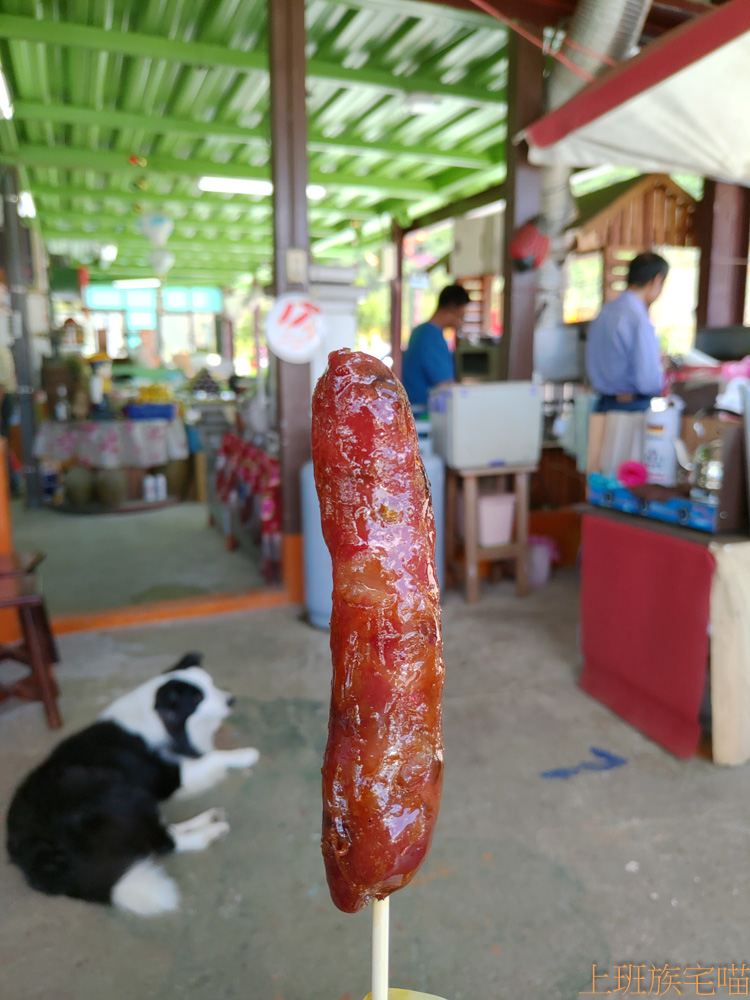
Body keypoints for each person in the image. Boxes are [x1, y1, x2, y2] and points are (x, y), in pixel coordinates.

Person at [585, 252, 669, 413]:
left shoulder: (605, 312)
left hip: (603, 404)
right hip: (631, 408)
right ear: (657, 280)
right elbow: (648, 379)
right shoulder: (638, 319)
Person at [402, 284, 470, 410]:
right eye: (462, 316)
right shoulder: (431, 338)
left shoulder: (420, 331)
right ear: (452, 307)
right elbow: (446, 385)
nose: (462, 321)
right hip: (422, 412)